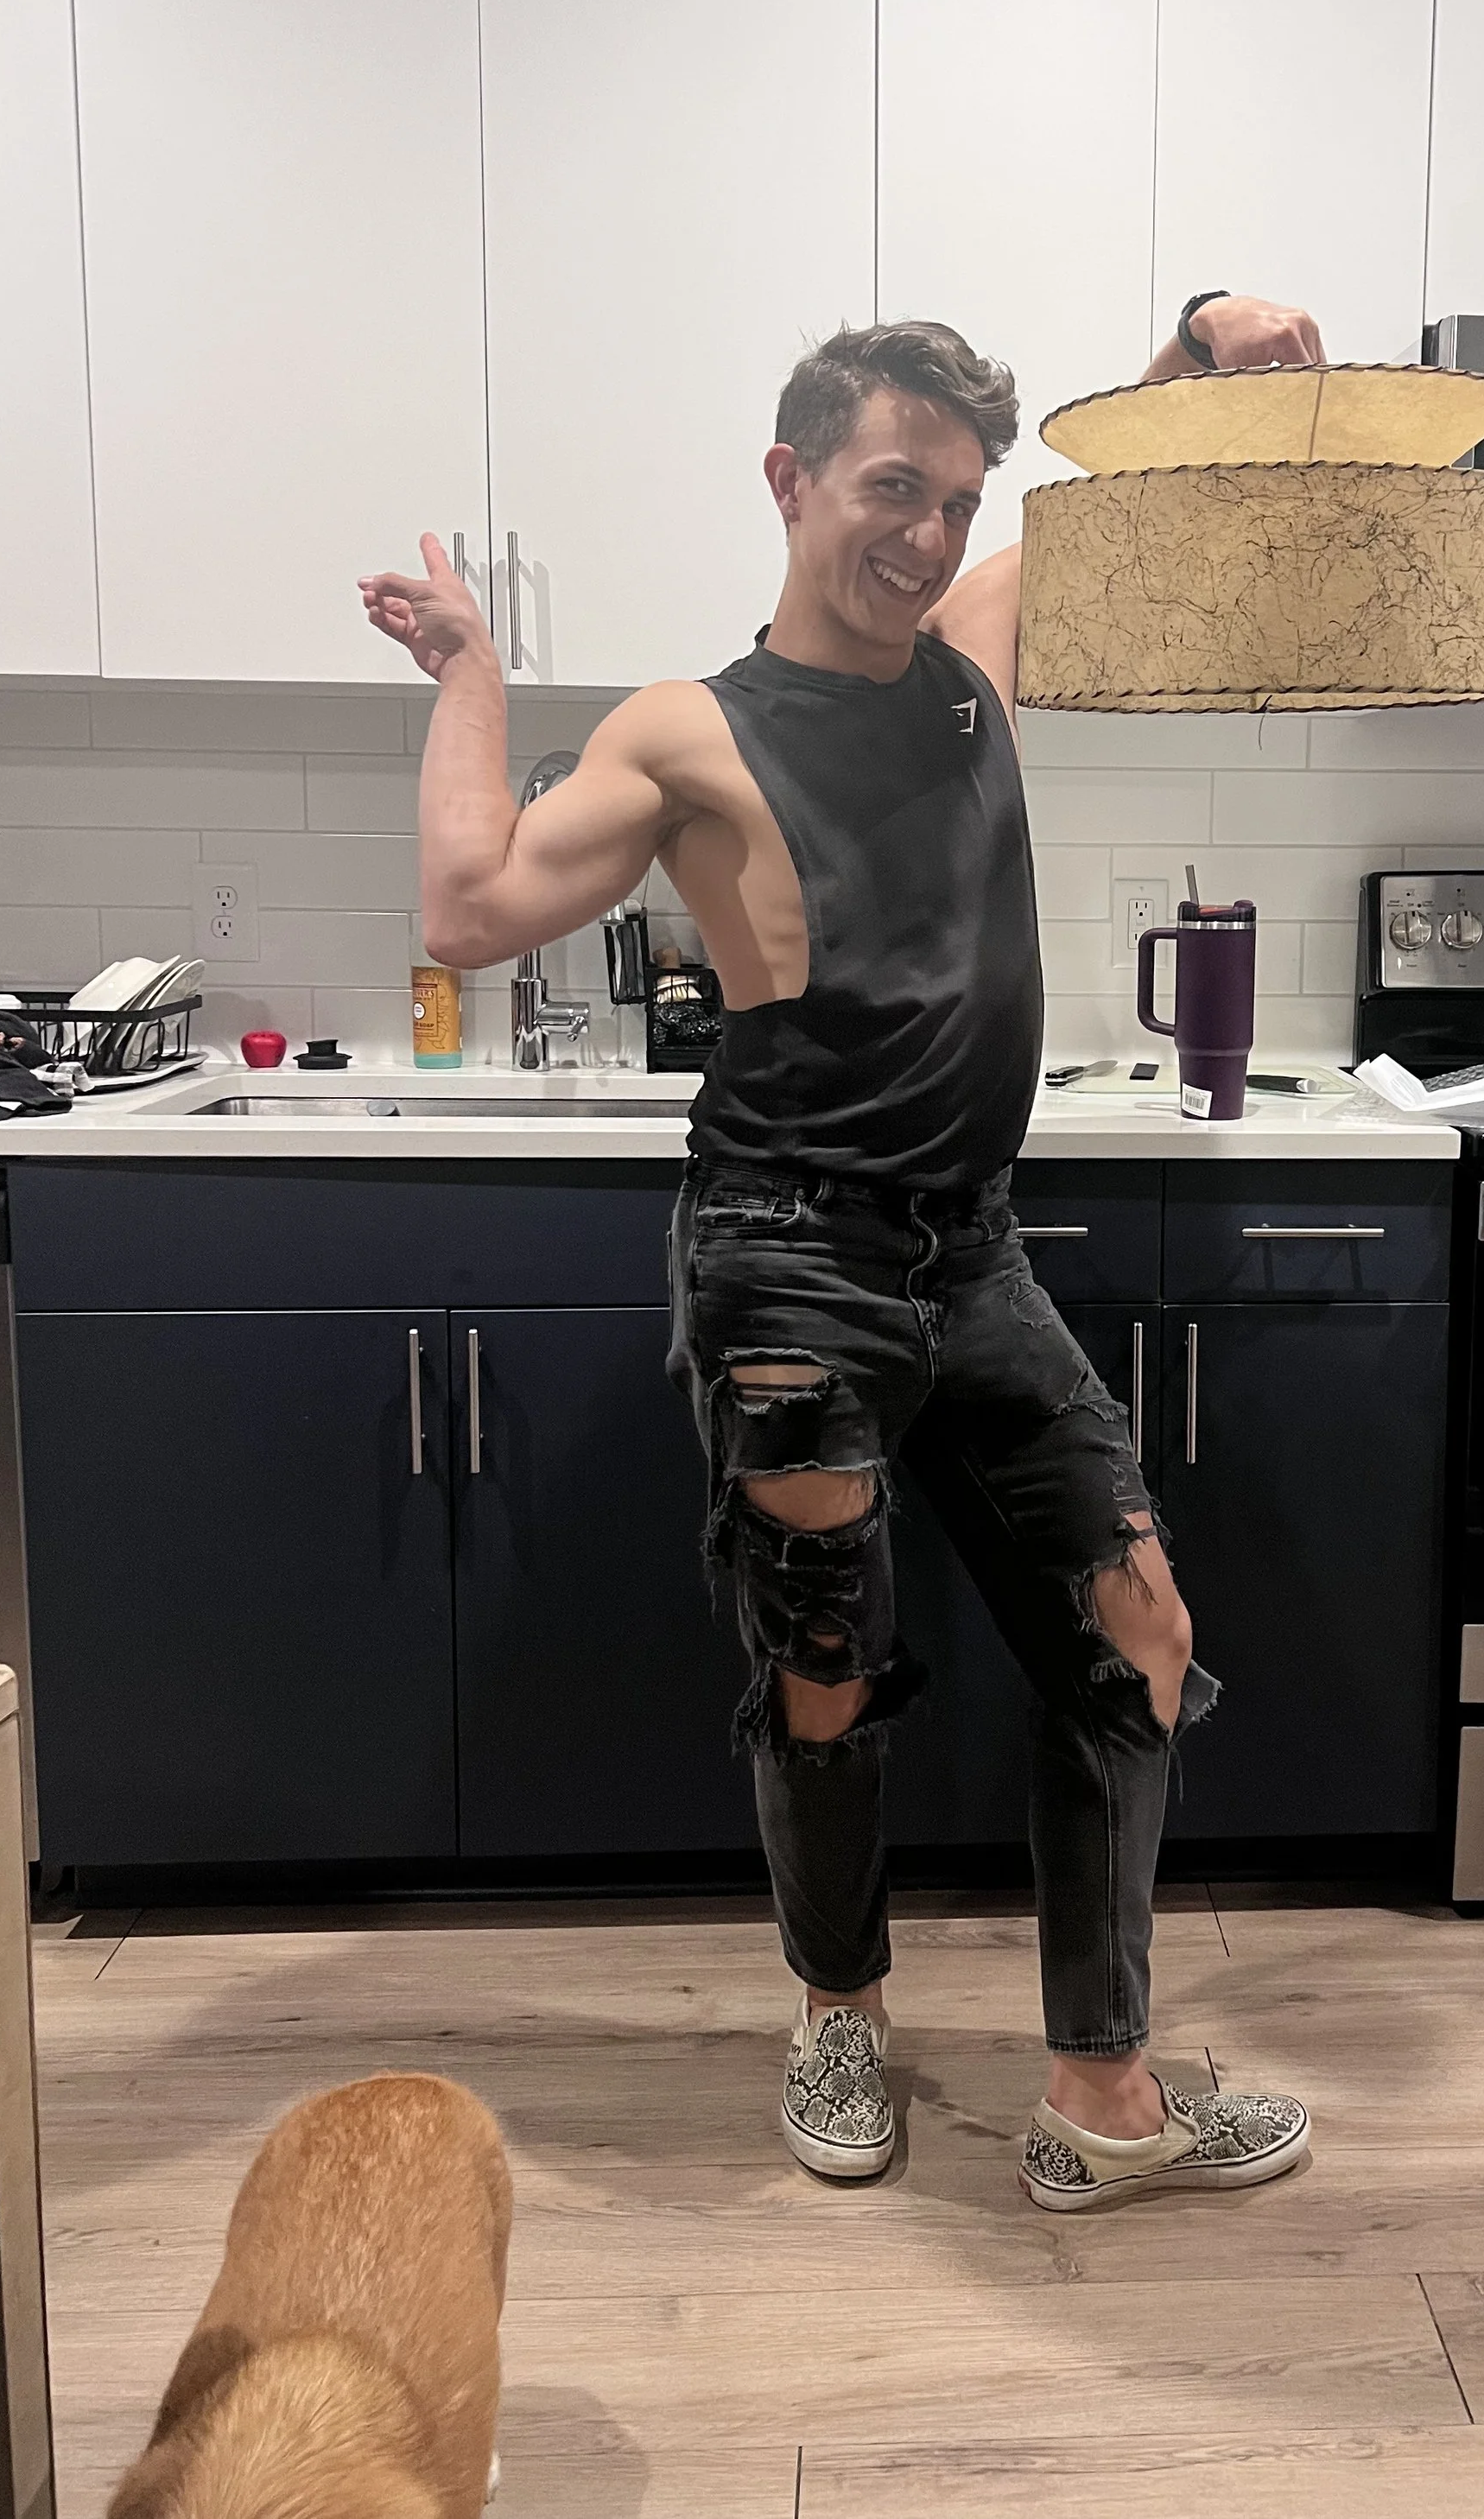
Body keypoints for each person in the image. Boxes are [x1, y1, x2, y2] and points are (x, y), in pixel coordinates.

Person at [360, 290, 1323, 2211]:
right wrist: (469, 670)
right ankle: (838, 2011)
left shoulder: (966, 661)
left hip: (971, 1256)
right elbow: (471, 906)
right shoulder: (685, 729)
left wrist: (1199, 349)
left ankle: (1100, 2089)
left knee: (1137, 1633)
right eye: (894, 486)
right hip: (785, 1260)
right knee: (823, 1670)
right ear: (792, 478)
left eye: (958, 499)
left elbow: (1131, 514)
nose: (929, 533)